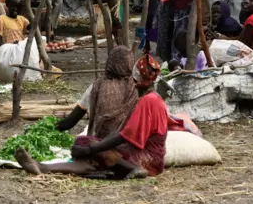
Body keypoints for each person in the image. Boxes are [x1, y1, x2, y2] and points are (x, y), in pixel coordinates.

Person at [16, 52, 171, 179]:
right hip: (140, 152)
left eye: (135, 79)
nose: (133, 82)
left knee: (88, 146)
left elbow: (124, 135)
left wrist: (91, 149)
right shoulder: (150, 98)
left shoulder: (146, 100)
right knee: (91, 151)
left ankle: (134, 168)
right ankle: (42, 167)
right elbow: (128, 133)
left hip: (146, 159)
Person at [56, 46, 138, 136]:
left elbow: (70, 122)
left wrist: (51, 127)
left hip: (99, 144)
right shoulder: (137, 88)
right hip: (129, 143)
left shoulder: (97, 86)